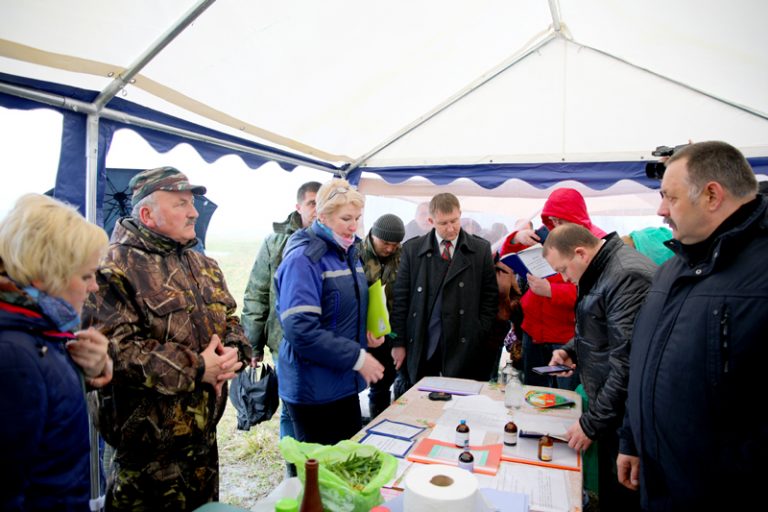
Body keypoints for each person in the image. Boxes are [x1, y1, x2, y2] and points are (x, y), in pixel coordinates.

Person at [82, 167, 251, 511]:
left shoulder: (204, 264)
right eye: (180, 204)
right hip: (148, 460)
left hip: (204, 445)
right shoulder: (112, 269)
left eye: (192, 203)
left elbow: (231, 320)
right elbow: (116, 352)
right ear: (147, 214)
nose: (193, 211)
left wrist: (233, 354)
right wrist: (198, 367)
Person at [617, 141, 768, 510]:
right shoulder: (673, 267)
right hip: (659, 483)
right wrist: (633, 441)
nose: (660, 210)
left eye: (670, 197)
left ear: (712, 195)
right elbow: (646, 359)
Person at [0, 194, 112, 511]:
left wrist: (88, 370)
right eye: (86, 276)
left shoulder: (37, 330)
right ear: (46, 274)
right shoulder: (12, 355)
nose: (93, 288)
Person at [543, 223, 655, 511]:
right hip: (611, 408)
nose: (564, 279)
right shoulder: (601, 269)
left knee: (622, 494)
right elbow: (600, 326)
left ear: (580, 253)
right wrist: (571, 351)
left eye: (564, 270)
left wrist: (591, 424)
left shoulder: (625, 275)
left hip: (624, 416)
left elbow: (627, 362)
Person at [275, 178, 385, 445]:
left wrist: (365, 331)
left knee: (343, 463)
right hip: (314, 389)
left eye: (357, 218)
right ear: (322, 216)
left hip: (341, 382)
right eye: (346, 218)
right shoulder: (304, 259)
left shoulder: (347, 252)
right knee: (319, 474)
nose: (354, 225)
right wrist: (358, 358)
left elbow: (340, 310)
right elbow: (301, 329)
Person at [499, 188, 606, 389]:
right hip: (534, 332)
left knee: (565, 397)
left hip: (567, 338)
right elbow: (506, 256)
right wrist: (516, 238)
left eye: (561, 220)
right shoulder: (544, 234)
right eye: (552, 220)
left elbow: (598, 293)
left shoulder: (596, 241)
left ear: (577, 217)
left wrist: (551, 291)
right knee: (533, 393)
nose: (556, 225)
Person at [390, 193, 498, 392]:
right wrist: (398, 342)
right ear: (430, 221)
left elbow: (490, 296)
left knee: (460, 404)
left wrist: (479, 330)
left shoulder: (480, 249)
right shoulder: (412, 249)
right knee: (421, 403)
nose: (451, 228)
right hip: (424, 341)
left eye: (455, 221)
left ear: (460, 215)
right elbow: (401, 299)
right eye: (443, 223)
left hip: (464, 342)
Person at [241, 180, 320, 439]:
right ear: (298, 206)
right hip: (284, 342)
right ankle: (293, 468)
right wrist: (252, 345)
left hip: (322, 342)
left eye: (322, 203)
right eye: (311, 203)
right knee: (290, 408)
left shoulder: (338, 242)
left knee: (319, 405)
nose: (317, 209)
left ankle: (316, 464)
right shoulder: (275, 243)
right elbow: (257, 294)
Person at [358, 213, 406, 419]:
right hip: (363, 332)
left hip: (392, 332)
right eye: (385, 243)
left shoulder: (403, 256)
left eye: (395, 244)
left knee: (384, 383)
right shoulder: (355, 253)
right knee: (359, 384)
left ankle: (382, 421)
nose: (390, 249)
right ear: (373, 235)